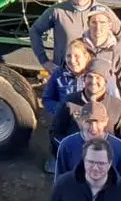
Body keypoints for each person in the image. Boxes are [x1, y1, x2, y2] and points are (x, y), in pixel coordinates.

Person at [30, 0, 121, 74]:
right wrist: (44, 61)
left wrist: (117, 58)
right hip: (65, 73)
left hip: (94, 77)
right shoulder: (57, 11)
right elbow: (35, 31)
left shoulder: (102, 12)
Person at [42, 40, 100, 172]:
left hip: (88, 121)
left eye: (77, 56)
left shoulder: (94, 76)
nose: (72, 61)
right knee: (58, 138)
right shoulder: (58, 75)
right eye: (68, 56)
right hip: (65, 120)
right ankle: (58, 158)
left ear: (86, 57)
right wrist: (59, 110)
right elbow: (47, 98)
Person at [54, 102, 121, 180]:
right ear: (80, 121)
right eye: (88, 122)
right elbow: (59, 182)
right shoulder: (67, 145)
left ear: (106, 121)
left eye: (98, 122)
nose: (93, 128)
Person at [85, 12, 121, 114]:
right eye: (94, 22)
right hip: (83, 108)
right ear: (88, 24)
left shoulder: (118, 51)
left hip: (109, 110)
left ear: (110, 26)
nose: (98, 27)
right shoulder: (79, 47)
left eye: (102, 22)